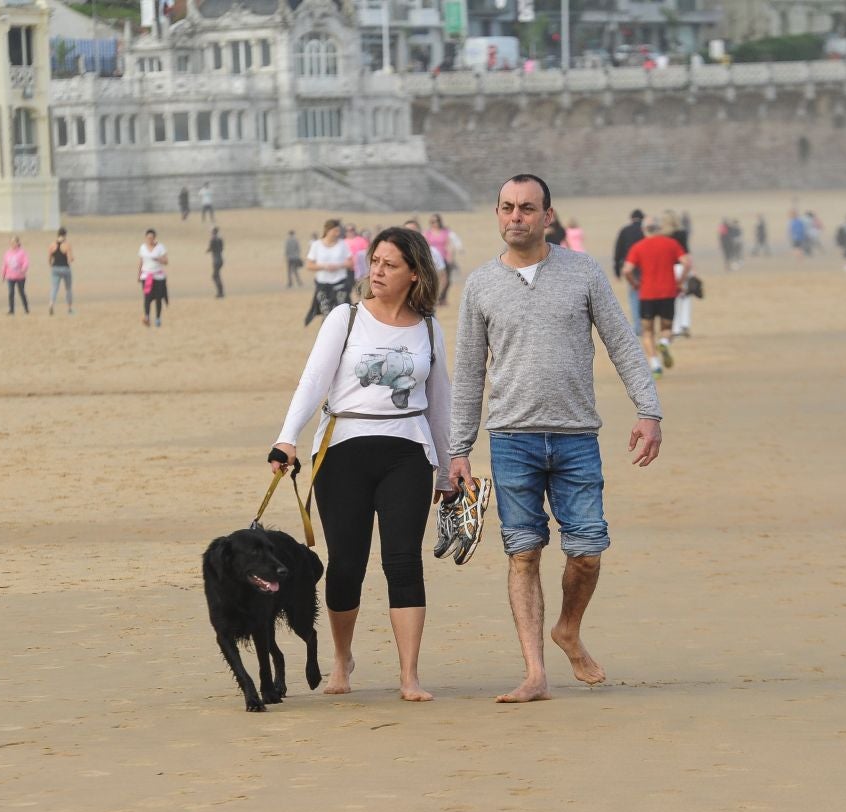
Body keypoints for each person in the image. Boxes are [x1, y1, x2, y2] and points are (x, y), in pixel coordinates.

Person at [448, 174, 663, 703]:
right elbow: (470, 371)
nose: (514, 217)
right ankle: (535, 672)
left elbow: (621, 341)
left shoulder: (583, 271)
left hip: (575, 436)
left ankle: (568, 628)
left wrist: (648, 409)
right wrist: (458, 448)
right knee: (523, 552)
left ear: (548, 216)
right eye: (506, 207)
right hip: (511, 438)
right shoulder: (480, 284)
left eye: (526, 208)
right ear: (497, 215)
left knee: (587, 550)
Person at [272, 226, 453, 702]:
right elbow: (312, 381)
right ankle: (341, 660)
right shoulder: (345, 318)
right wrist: (287, 440)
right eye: (374, 261)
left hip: (407, 452)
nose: (376, 270)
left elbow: (440, 403)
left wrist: (449, 465)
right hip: (342, 451)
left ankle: (409, 675)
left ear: (414, 274)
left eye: (389, 264)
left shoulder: (429, 328)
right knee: (346, 564)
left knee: (402, 561)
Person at [623, 216, 691, 376]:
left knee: (647, 332)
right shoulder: (671, 244)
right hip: (668, 292)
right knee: (667, 328)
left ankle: (655, 366)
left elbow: (627, 270)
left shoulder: (638, 247)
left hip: (647, 294)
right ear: (659, 228)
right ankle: (664, 342)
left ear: (644, 230)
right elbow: (686, 263)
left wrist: (634, 283)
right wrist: (680, 282)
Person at [304, 219, 353, 326]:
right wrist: (324, 266)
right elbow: (309, 265)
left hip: (340, 283)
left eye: (338, 231)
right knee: (327, 314)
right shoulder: (316, 245)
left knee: (342, 312)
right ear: (328, 230)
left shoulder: (342, 244)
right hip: (323, 285)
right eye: (335, 231)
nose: (338, 233)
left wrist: (338, 266)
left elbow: (351, 263)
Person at [612, 209, 645, 336]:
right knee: (645, 296)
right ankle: (645, 322)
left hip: (629, 267)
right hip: (644, 267)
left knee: (634, 296)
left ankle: (638, 327)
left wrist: (617, 270)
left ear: (631, 218)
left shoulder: (625, 230)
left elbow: (618, 249)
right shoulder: (645, 230)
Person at [138, 228, 169, 327]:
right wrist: (139, 274)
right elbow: (141, 262)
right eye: (148, 238)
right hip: (146, 276)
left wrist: (159, 259)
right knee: (147, 297)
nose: (150, 240)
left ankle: (158, 318)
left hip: (158, 276)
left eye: (151, 238)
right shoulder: (142, 247)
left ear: (155, 238)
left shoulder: (160, 247)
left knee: (158, 297)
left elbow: (166, 261)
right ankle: (147, 317)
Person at [424, 214, 456, 305]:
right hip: (432, 259)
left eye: (437, 221)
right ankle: (433, 297)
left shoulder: (445, 232)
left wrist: (450, 257)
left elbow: (450, 244)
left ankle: (443, 298)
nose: (435, 223)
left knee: (446, 279)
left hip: (444, 258)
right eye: (433, 221)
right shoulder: (427, 233)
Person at [48, 227, 75, 315]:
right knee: (68, 289)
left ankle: (51, 303)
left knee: (54, 288)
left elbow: (49, 258)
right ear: (65, 235)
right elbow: (70, 259)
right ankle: (69, 308)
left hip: (55, 268)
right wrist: (72, 259)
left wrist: (51, 265)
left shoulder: (52, 244)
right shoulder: (67, 245)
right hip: (65, 268)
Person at [1, 235, 30, 315]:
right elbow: (5, 264)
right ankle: (11, 310)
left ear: (18, 243)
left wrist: (23, 269)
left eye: (14, 242)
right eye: (11, 242)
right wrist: (3, 274)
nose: (13, 244)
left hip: (20, 276)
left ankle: (26, 308)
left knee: (21, 292)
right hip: (10, 276)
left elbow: (26, 262)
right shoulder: (7, 253)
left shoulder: (22, 252)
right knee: (11, 293)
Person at [205, 227, 225, 299]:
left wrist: (208, 250)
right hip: (221, 259)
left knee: (215, 276)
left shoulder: (213, 239)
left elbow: (210, 248)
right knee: (217, 275)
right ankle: (220, 292)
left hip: (216, 260)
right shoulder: (220, 239)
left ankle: (220, 292)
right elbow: (222, 248)